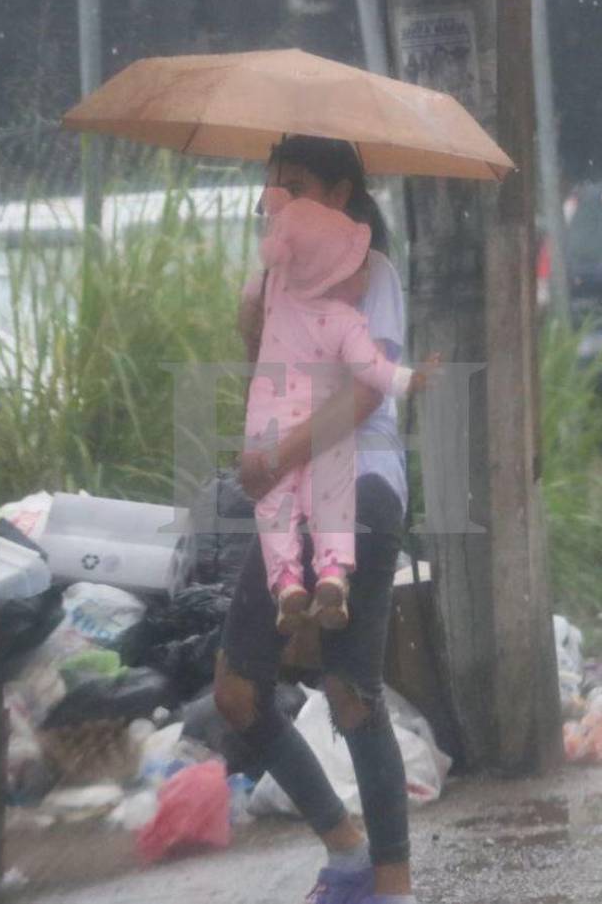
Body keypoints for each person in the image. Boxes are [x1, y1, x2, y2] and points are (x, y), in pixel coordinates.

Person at [215, 134, 419, 904]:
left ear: (339, 197)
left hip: (359, 487)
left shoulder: (378, 278)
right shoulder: (281, 281)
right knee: (237, 692)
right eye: (270, 188)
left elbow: (364, 394)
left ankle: (391, 889)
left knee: (349, 691)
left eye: (293, 186)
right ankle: (347, 849)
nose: (276, 202)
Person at [246, 188, 431, 637]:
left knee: (275, 512)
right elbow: (375, 372)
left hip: (272, 432)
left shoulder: (279, 299)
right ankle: (331, 572)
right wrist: (413, 381)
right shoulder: (343, 320)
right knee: (331, 499)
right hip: (315, 438)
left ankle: (287, 581)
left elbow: (362, 394)